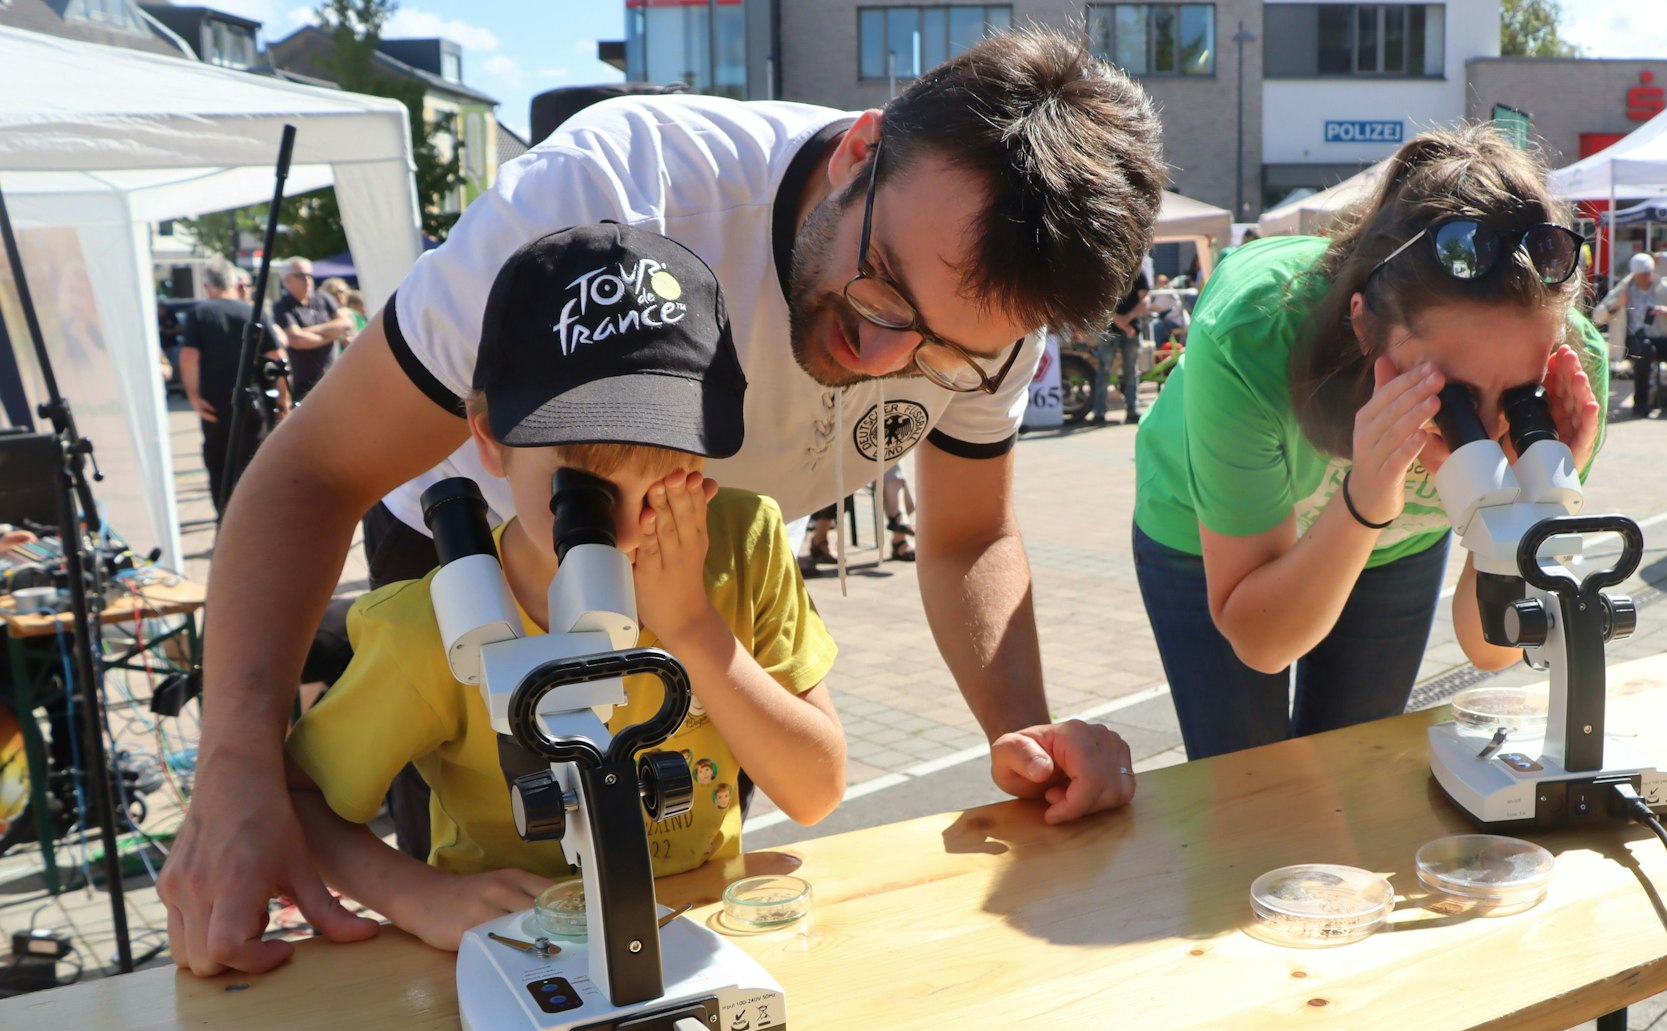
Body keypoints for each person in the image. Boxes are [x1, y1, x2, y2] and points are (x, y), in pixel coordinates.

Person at [161, 28, 1159, 977]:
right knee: (504, 864)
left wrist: (1026, 743)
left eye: (942, 350)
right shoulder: (609, 195)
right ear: (862, 150)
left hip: (703, 563)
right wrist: (240, 767)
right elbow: (313, 473)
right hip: (474, 553)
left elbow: (967, 536)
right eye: (880, 293)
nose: (881, 359)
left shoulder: (994, 304)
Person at [284, 225, 845, 951]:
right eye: (583, 489)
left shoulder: (740, 544)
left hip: (698, 931)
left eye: (671, 474)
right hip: (520, 947)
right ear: (489, 437)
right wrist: (416, 895)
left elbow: (815, 790)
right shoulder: (432, 628)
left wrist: (693, 627)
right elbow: (297, 799)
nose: (627, 525)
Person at [1130, 125, 1609, 760]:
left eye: (1516, 396)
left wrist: (1531, 505)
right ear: (1362, 322)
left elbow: (1489, 648)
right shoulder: (1254, 329)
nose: (1492, 431)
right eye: (1454, 396)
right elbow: (1262, 641)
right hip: (1205, 539)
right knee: (1244, 780)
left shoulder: (1570, 378)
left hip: (1393, 550)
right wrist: (1364, 499)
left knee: (1351, 772)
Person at [177, 259, 286, 510]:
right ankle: (256, 522)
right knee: (253, 465)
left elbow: (188, 357)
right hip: (253, 401)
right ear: (234, 283)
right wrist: (283, 398)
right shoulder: (252, 311)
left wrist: (193, 397)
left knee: (220, 467)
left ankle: (225, 523)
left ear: (207, 286)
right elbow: (278, 357)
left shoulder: (199, 313)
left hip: (215, 403)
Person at [1593, 252, 1667, 418]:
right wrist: (1618, 304)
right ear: (1635, 275)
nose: (1646, 278)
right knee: (1645, 350)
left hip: (1662, 337)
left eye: (1648, 273)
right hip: (1635, 340)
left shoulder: (1663, 287)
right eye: (1642, 275)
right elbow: (1598, 316)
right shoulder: (1624, 289)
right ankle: (1641, 404)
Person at [270, 257, 346, 401]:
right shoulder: (282, 306)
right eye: (301, 275)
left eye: (310, 275)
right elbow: (297, 340)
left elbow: (345, 323)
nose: (307, 280)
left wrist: (306, 331)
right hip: (304, 386)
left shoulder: (323, 299)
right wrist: (332, 334)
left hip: (333, 379)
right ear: (287, 280)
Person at [1093, 270, 1148, 425]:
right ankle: (1099, 412)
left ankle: (1132, 410)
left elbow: (1145, 301)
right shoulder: (1109, 269)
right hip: (1110, 330)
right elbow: (1101, 300)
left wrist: (1126, 319)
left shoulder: (1139, 274)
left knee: (1131, 371)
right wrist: (1122, 322)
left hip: (1131, 328)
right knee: (1104, 370)